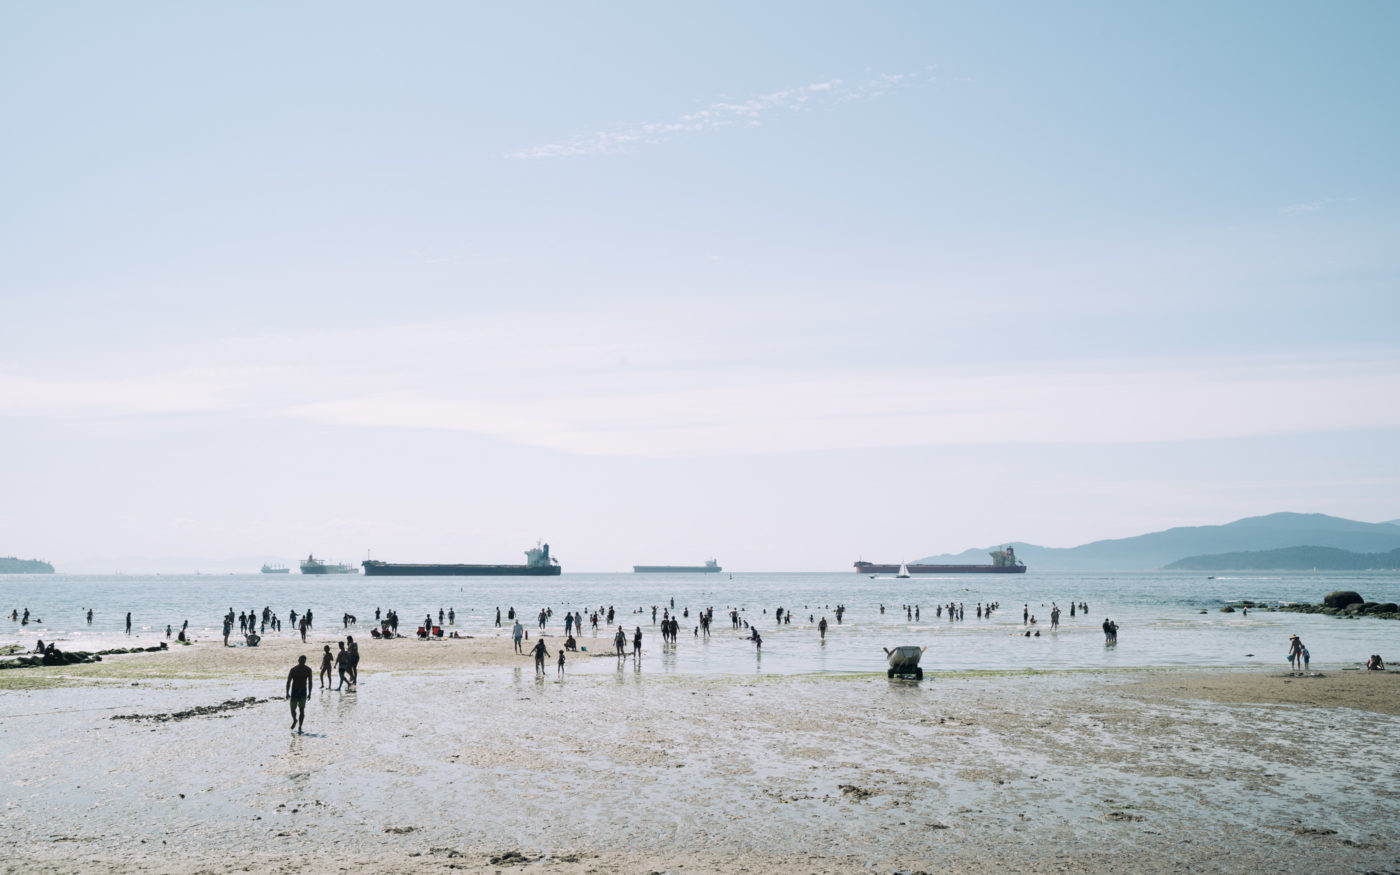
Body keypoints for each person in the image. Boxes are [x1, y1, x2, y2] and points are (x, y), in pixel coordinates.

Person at [286, 655, 313, 732]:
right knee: (292, 710)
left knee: (302, 710)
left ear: (305, 661)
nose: (302, 662)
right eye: (301, 661)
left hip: (303, 691)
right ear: (298, 660)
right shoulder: (293, 670)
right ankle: (295, 720)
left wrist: (310, 693)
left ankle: (300, 727)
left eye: (304, 661)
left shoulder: (308, 670)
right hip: (294, 691)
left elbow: (310, 682)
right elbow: (288, 681)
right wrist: (287, 693)